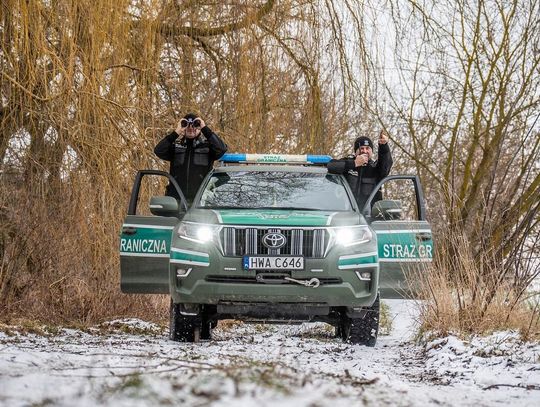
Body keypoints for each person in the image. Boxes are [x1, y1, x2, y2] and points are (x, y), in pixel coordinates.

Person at [154, 113, 227, 204]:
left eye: (195, 124)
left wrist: (205, 129)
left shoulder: (207, 147)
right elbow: (158, 151)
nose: (191, 128)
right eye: (186, 125)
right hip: (176, 201)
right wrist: (176, 132)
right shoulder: (176, 147)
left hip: (201, 201)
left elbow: (222, 149)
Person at [327, 130, 393, 209]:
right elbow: (331, 166)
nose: (364, 151)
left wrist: (384, 146)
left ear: (371, 151)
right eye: (361, 148)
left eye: (367, 148)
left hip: (369, 217)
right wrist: (354, 163)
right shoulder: (348, 162)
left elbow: (385, 167)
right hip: (346, 213)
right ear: (356, 151)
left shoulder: (375, 168)